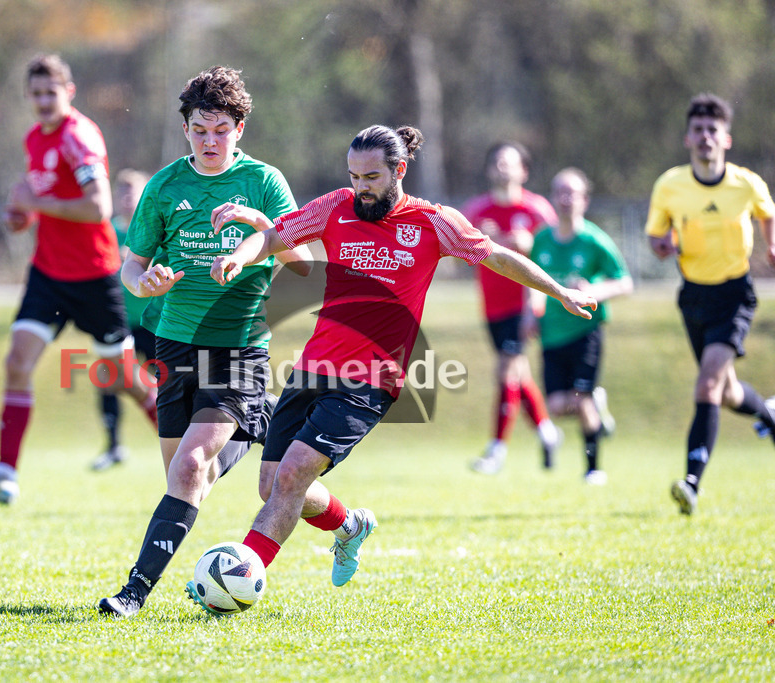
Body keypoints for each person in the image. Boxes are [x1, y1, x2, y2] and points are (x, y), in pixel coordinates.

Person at [194, 125, 596, 610]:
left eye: (372, 177)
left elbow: (499, 257)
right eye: (354, 176)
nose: (361, 186)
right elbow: (278, 235)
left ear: (399, 170)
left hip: (371, 381)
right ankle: (350, 525)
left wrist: (559, 292)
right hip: (314, 368)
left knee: (293, 475)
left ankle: (235, 582)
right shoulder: (336, 206)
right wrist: (238, 256)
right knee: (273, 484)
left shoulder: (432, 222)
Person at [97, 66, 311, 618]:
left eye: (220, 130)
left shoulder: (264, 181)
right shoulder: (165, 186)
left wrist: (259, 224)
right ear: (185, 128)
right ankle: (257, 421)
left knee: (191, 465)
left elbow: (304, 265)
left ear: (240, 128)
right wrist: (142, 282)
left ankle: (133, 592)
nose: (210, 141)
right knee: (190, 474)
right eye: (199, 130)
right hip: (173, 346)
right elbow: (132, 264)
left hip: (239, 348)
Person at [0, 54, 158, 505]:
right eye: (36, 93)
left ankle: (188, 456)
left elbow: (98, 207)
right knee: (16, 362)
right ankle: (5, 473)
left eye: (52, 92)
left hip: (94, 275)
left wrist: (37, 203)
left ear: (70, 92)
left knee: (125, 378)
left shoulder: (78, 137)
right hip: (48, 273)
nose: (44, 101)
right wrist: (21, 215)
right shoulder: (34, 138)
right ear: (28, 96)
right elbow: (44, 200)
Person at [645, 93, 775, 515]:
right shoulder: (669, 184)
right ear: (688, 138)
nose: (705, 137)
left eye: (712, 131)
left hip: (735, 293)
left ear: (727, 139)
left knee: (707, 385)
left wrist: (772, 244)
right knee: (727, 389)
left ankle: (691, 482)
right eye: (698, 130)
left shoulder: (745, 183)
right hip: (693, 295)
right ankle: (770, 414)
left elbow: (767, 212)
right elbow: (655, 236)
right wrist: (661, 246)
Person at [464, 142, 571, 476]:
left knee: (507, 372)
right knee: (518, 375)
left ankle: (497, 450)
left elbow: (558, 256)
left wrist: (530, 247)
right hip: (492, 307)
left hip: (525, 305)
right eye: (496, 162)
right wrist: (479, 243)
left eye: (509, 163)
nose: (502, 168)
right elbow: (456, 256)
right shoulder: (477, 212)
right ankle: (547, 433)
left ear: (523, 171)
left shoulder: (538, 211)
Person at [524, 168, 633, 485]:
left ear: (584, 200)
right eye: (559, 191)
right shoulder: (542, 239)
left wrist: (593, 291)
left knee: (581, 400)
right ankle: (596, 411)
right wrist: (532, 312)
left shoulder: (594, 241)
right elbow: (531, 280)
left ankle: (593, 468)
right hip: (551, 333)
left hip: (586, 330)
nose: (565, 198)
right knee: (557, 406)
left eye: (572, 193)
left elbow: (624, 282)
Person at [91, 168, 156, 472]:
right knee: (107, 380)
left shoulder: (156, 232)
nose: (129, 198)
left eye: (135, 191)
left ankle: (180, 441)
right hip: (118, 324)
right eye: (123, 191)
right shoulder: (106, 233)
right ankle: (114, 445)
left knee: (171, 386)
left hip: (153, 323)